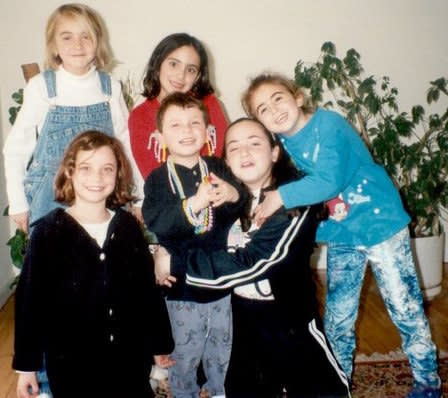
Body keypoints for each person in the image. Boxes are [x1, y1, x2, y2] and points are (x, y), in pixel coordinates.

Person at [239, 73, 441, 398]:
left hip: (380, 225)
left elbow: (329, 181)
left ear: (298, 97)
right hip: (342, 232)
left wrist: (280, 196)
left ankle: (427, 380)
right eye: (263, 109)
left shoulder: (329, 125)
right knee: (337, 315)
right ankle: (338, 379)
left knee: (403, 306)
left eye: (277, 98)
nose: (274, 109)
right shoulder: (286, 145)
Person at [154, 118, 351, 398]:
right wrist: (162, 256)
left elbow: (253, 262)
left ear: (274, 152)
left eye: (254, 143)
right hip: (241, 322)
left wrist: (174, 263)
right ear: (225, 161)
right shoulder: (226, 201)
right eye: (234, 148)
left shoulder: (295, 200)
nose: (244, 153)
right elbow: (188, 239)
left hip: (289, 322)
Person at [13, 131, 174, 398]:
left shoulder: (127, 227)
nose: (97, 178)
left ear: (118, 175)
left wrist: (159, 344)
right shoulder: (47, 233)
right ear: (70, 173)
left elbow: (146, 293)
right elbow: (31, 302)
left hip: (129, 361)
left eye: (107, 169)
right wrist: (27, 367)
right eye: (86, 168)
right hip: (72, 366)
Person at [3, 3, 144, 235]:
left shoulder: (109, 88)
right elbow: (16, 148)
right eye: (67, 37)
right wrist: (18, 203)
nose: (77, 45)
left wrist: (139, 196)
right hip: (51, 198)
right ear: (54, 45)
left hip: (101, 194)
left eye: (86, 36)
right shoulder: (42, 88)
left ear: (98, 42)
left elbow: (127, 145)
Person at [142, 93, 247, 398]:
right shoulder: (157, 179)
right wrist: (196, 203)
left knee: (221, 344)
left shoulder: (218, 167)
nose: (186, 131)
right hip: (181, 280)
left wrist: (232, 194)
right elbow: (159, 222)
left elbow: (237, 209)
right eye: (176, 125)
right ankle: (183, 391)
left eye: (194, 123)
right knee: (185, 349)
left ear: (207, 131)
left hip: (220, 275)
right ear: (160, 137)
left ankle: (218, 391)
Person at [129, 32, 228, 180]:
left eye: (191, 70)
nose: (181, 75)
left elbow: (223, 160)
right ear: (158, 64)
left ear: (198, 76)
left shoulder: (209, 104)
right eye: (174, 64)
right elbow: (153, 178)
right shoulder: (140, 116)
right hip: (169, 198)